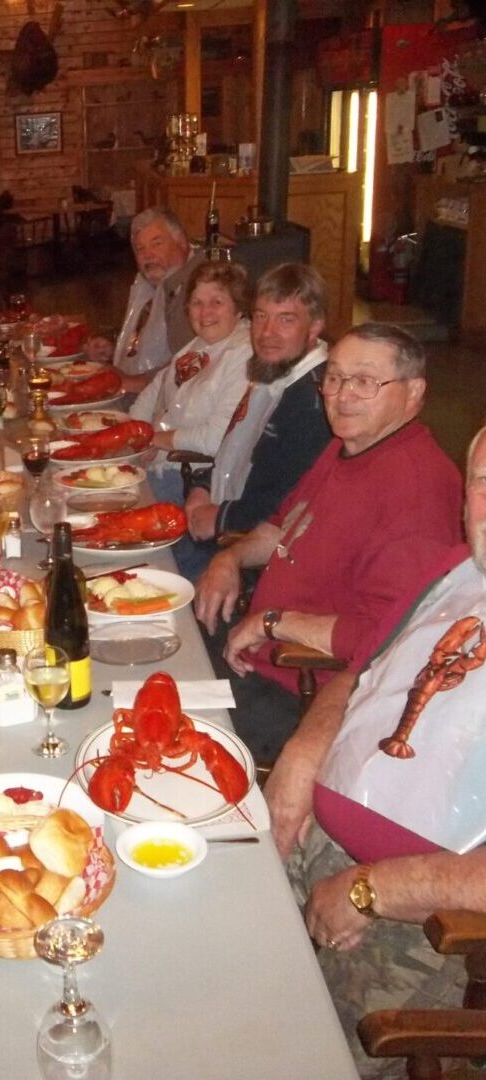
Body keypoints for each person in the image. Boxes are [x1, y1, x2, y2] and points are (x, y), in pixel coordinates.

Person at [264, 426, 486, 1080]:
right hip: (310, 839)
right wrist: (304, 752)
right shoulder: (453, 570)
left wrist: (369, 890)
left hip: (422, 922)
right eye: (483, 482)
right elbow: (362, 673)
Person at [194, 322, 464, 760]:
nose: (341, 395)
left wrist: (272, 623)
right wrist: (231, 557)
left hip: (299, 694)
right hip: (254, 651)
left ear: (413, 393)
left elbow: (393, 639)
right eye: (334, 378)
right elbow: (281, 526)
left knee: (149, 708)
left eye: (364, 381)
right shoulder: (347, 447)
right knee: (145, 643)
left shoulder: (417, 491)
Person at [180, 262, 333, 574]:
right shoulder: (271, 374)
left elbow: (292, 505)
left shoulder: (316, 403)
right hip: (216, 520)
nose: (266, 333)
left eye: (285, 320)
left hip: (247, 554)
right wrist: (200, 488)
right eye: (261, 317)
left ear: (315, 326)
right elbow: (234, 452)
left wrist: (221, 518)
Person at [127, 260, 252, 506]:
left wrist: (154, 438)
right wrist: (136, 440)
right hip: (155, 466)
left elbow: (216, 439)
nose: (205, 313)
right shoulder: (194, 348)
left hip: (190, 481)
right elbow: (146, 401)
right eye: (197, 303)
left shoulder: (244, 356)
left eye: (216, 302)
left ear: (238, 309)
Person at [87, 207, 205, 394]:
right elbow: (145, 332)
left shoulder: (198, 289)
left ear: (181, 242)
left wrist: (134, 382)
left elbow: (195, 361)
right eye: (140, 248)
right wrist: (114, 345)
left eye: (156, 244)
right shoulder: (150, 282)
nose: (147, 255)